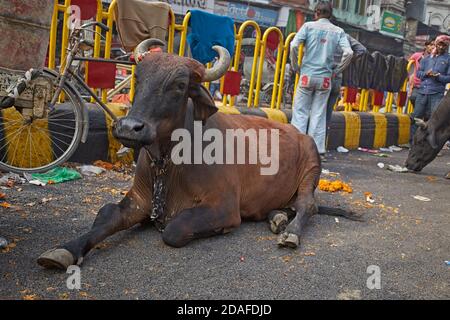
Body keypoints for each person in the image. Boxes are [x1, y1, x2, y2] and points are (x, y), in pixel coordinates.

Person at [290, 1, 353, 162]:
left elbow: (293, 45)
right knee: (319, 114)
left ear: (316, 13)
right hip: (325, 78)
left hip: (306, 75)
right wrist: (337, 70)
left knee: (300, 112)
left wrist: (297, 66)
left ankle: (296, 148)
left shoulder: (308, 26)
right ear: (330, 15)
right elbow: (349, 52)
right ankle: (317, 151)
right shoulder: (338, 31)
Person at [326, 34, 367, 142]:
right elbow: (361, 50)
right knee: (326, 114)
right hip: (336, 75)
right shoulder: (343, 35)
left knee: (310, 112)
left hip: (317, 73)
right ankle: (321, 147)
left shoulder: (311, 28)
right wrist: (346, 62)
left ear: (316, 16)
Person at [410, 35, 450, 142]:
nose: (441, 47)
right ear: (436, 44)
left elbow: (448, 77)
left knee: (435, 120)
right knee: (416, 116)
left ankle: (429, 144)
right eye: (439, 44)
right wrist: (426, 74)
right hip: (422, 92)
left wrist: (438, 76)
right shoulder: (426, 59)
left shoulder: (448, 59)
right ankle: (412, 142)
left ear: (447, 46)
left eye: (444, 45)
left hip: (437, 93)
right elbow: (418, 73)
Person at [408, 39, 435, 110]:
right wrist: (411, 77)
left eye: (434, 45)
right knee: (413, 98)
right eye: (431, 45)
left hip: (428, 86)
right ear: (426, 46)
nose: (433, 47)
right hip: (417, 84)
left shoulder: (436, 58)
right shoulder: (417, 55)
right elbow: (408, 64)